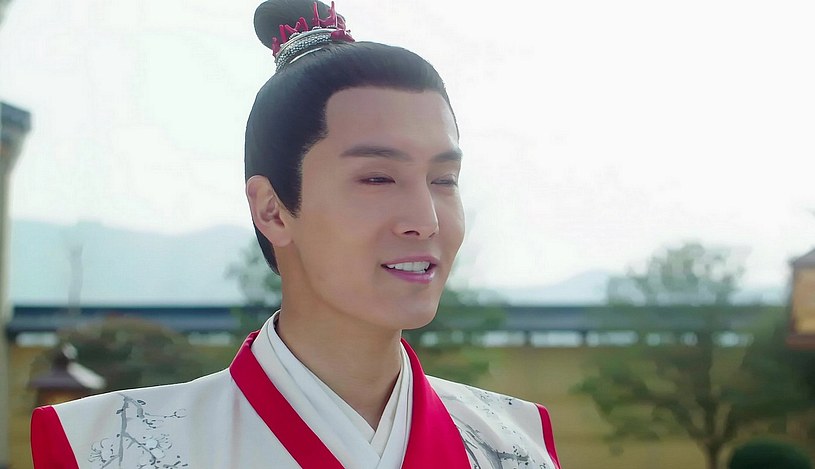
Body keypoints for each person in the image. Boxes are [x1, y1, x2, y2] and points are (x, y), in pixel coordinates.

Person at [30, 1, 562, 467]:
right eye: (378, 178)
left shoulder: (513, 445)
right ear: (273, 210)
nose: (426, 219)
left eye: (444, 180)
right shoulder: (115, 447)